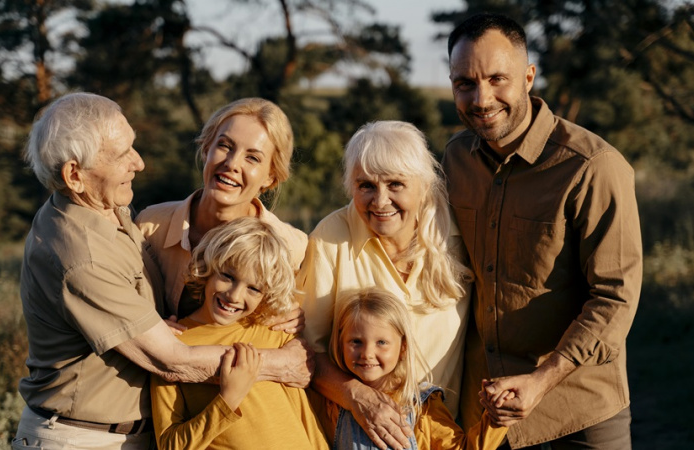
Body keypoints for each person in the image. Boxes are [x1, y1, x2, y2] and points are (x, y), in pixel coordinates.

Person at [13, 93, 312, 450]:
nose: (139, 163)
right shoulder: (137, 231)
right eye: (122, 154)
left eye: (253, 157)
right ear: (74, 175)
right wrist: (285, 362)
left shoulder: (115, 212)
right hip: (92, 436)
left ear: (272, 176)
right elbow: (171, 360)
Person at [443, 13, 642, 449]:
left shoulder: (592, 167)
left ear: (529, 77)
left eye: (498, 79)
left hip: (579, 412)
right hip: (484, 414)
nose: (482, 98)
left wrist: (542, 379)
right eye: (465, 83)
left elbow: (615, 297)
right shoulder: (454, 160)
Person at [299, 120, 471, 450]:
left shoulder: (459, 236)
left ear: (423, 186)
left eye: (395, 184)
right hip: (354, 435)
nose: (380, 201)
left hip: (443, 435)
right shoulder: (330, 239)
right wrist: (358, 397)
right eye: (366, 186)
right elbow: (306, 349)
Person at [151, 217, 329, 450]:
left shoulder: (277, 334)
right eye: (228, 276)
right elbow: (170, 445)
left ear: (265, 294)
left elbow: (308, 422)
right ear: (209, 267)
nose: (234, 296)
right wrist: (227, 401)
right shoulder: (172, 344)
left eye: (253, 288)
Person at [137, 97, 307, 328]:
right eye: (225, 146)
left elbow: (299, 334)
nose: (232, 163)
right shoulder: (149, 226)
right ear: (206, 148)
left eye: (253, 158)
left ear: (270, 177)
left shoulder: (293, 249)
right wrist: (150, 330)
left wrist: (301, 321)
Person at [319, 287, 508, 450]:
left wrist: (495, 418)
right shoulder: (332, 402)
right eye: (356, 342)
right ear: (340, 343)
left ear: (402, 348)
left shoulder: (421, 406)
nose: (367, 353)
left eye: (382, 342)